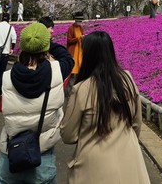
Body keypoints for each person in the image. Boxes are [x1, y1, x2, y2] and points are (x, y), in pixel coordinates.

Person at [61, 30, 149, 184]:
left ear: (88, 56)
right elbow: (136, 123)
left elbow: (69, 135)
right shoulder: (127, 79)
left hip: (93, 167)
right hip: (130, 162)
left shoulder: (81, 89)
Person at [0, 22, 73, 184]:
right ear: (45, 48)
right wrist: (46, 41)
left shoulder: (6, 77)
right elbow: (67, 57)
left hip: (11, 156)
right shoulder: (57, 72)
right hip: (41, 158)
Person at [0, 12, 17, 97]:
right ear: (8, 19)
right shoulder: (10, 28)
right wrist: (12, 48)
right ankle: (1, 90)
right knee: (2, 72)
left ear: (2, 18)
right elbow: (14, 38)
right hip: (5, 53)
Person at [66, 15, 85, 81]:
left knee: (80, 63)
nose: (80, 22)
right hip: (73, 49)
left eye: (81, 21)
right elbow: (69, 40)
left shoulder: (81, 28)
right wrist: (78, 38)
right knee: (73, 64)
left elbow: (81, 36)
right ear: (75, 20)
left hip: (79, 48)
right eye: (79, 21)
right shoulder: (71, 28)